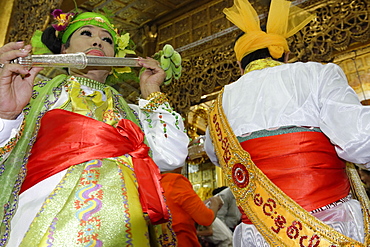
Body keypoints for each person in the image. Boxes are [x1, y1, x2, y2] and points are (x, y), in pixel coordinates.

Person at [0, 10, 189, 246]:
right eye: (86, 33)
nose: (98, 41)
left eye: (107, 39)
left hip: (126, 227)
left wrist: (151, 92)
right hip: (44, 220)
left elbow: (172, 156)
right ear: (64, 51)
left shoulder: (133, 113)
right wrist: (7, 114)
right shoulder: (35, 95)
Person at [204, 0, 370, 246]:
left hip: (260, 233)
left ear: (240, 65)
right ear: (285, 55)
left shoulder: (220, 104)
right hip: (328, 227)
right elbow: (360, 140)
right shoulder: (317, 74)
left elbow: (217, 156)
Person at [160, 166, 224, 247]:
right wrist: (216, 202)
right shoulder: (175, 181)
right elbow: (206, 218)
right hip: (182, 240)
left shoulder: (154, 182)